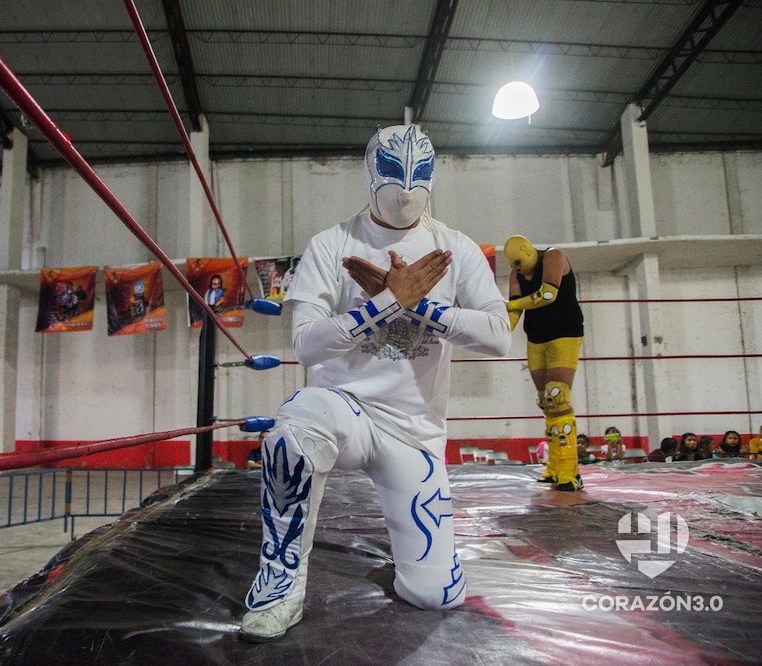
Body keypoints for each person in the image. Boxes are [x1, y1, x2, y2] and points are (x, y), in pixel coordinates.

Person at [239, 124, 511, 642]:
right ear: (370, 172)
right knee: (295, 429)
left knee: (435, 594)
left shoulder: (454, 248)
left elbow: (499, 336)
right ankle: (279, 586)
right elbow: (306, 346)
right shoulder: (332, 244)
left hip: (415, 433)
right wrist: (386, 304)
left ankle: (416, 558)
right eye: (393, 172)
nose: (406, 188)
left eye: (419, 174)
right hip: (345, 410)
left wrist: (415, 304)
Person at [504, 234, 585, 491]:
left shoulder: (553, 256)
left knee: (557, 397)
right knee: (546, 401)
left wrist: (512, 304)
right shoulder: (516, 273)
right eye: (518, 270)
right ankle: (554, 466)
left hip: (565, 333)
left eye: (524, 268)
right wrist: (499, 332)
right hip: (536, 337)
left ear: (530, 252)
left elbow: (548, 294)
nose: (523, 274)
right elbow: (515, 309)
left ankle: (570, 472)